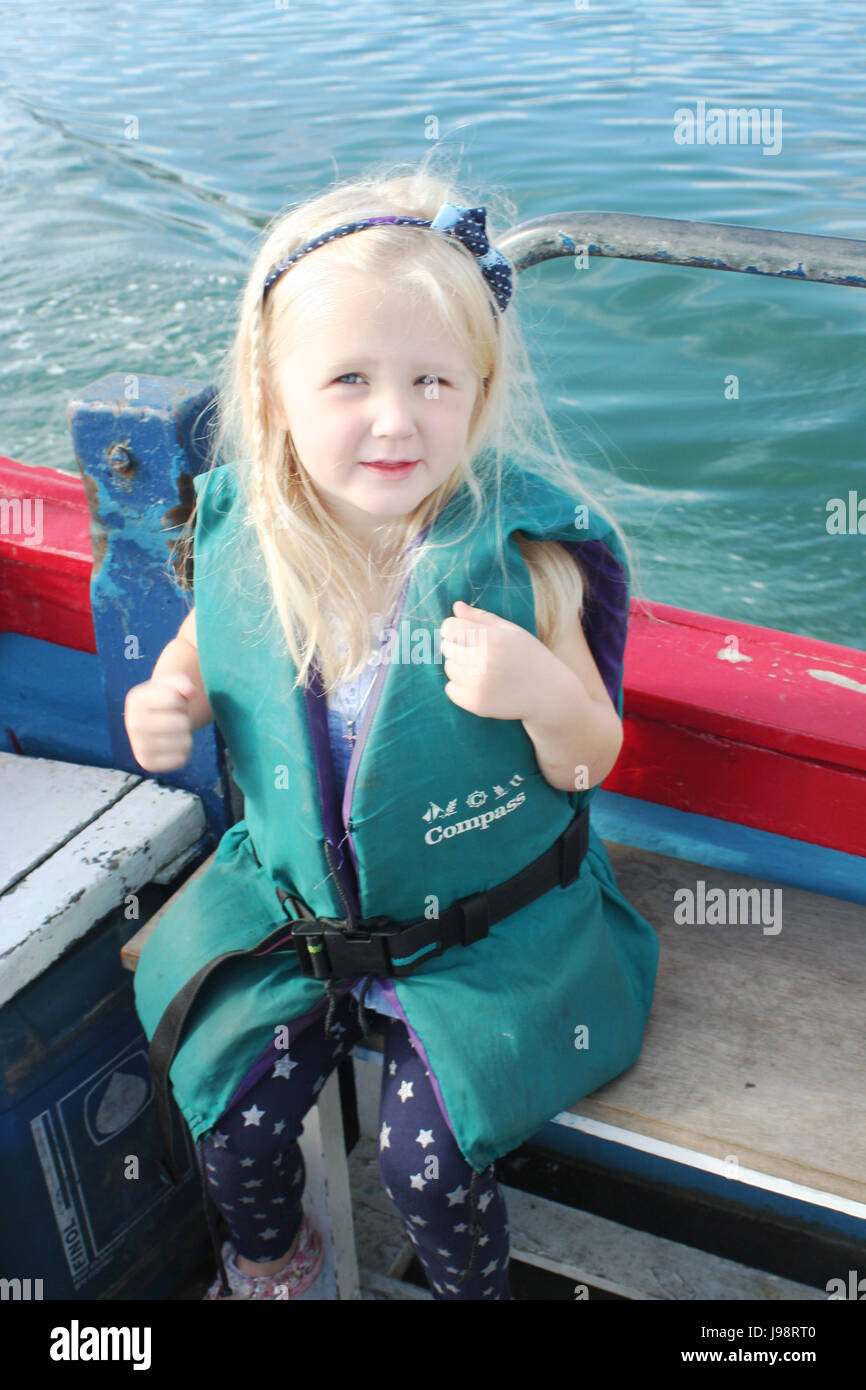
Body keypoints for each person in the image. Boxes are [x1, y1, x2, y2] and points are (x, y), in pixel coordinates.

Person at [125, 156, 660, 1302]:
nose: (394, 419)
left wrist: (533, 688)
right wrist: (161, 704)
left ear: (476, 384)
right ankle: (275, 1265)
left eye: (430, 381)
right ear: (273, 395)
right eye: (350, 380)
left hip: (488, 936)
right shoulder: (253, 545)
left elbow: (585, 758)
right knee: (233, 1110)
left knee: (427, 1161)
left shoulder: (521, 561)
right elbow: (198, 660)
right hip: (295, 911)